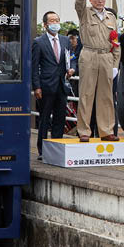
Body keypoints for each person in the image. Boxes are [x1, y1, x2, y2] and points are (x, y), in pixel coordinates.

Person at [74, 0, 120, 141]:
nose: (100, 1)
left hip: (106, 56)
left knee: (106, 96)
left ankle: (106, 130)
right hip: (90, 54)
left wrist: (115, 63)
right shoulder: (84, 12)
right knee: (86, 93)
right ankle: (84, 131)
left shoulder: (111, 17)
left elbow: (116, 42)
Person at [31, 11, 73, 159]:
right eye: (52, 21)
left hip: (61, 84)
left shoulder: (65, 40)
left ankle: (57, 149)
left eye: (57, 20)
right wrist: (36, 86)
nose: (55, 23)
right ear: (45, 24)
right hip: (46, 86)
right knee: (44, 119)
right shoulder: (38, 42)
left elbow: (70, 58)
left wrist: (71, 68)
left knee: (60, 118)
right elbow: (34, 66)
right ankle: (43, 151)